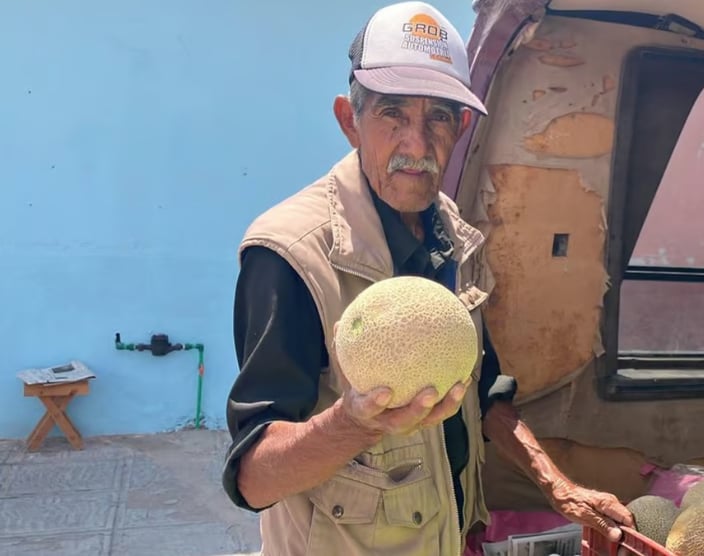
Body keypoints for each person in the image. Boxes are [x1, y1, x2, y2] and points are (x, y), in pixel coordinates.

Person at [220, 2, 634, 554]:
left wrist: (560, 487)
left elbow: (483, 391)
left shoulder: (457, 238)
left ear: (461, 126)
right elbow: (253, 478)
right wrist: (356, 423)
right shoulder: (291, 254)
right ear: (350, 121)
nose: (417, 143)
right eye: (393, 114)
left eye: (438, 116)